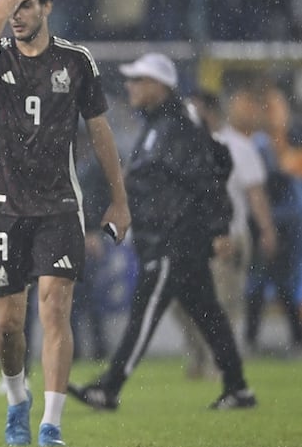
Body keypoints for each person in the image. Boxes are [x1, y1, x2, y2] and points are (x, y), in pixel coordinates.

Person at [0, 0, 131, 447]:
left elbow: (100, 131)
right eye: (10, 7)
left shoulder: (76, 62)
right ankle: (18, 399)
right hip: (5, 206)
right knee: (8, 325)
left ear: (48, 7)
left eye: (26, 5)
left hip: (60, 206)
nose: (17, 16)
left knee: (56, 309)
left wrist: (119, 200)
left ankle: (51, 424)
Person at [69, 52, 258, 411]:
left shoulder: (177, 128)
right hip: (168, 237)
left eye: (138, 80)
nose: (130, 86)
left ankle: (109, 387)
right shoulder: (160, 126)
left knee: (145, 310)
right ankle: (238, 387)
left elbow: (208, 177)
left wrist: (218, 227)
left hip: (174, 239)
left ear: (160, 85)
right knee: (208, 314)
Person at [172, 90, 277, 378]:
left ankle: (221, 364)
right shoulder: (184, 145)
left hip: (229, 236)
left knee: (223, 300)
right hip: (189, 239)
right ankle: (198, 356)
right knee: (183, 303)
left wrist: (266, 229)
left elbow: (255, 194)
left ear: (210, 111)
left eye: (195, 110)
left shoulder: (238, 146)